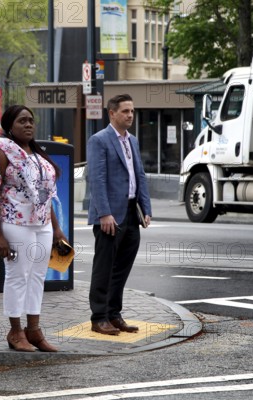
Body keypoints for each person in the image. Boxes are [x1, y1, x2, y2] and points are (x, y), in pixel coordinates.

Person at [0, 105, 67, 352]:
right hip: (14, 222)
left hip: (42, 224)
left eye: (31, 121)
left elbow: (45, 195)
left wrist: (56, 229)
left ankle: (33, 330)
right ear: (9, 126)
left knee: (37, 277)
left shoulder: (37, 154)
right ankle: (15, 331)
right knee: (17, 276)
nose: (28, 125)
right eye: (22, 121)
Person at [87, 94, 152, 336]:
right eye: (125, 111)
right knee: (104, 268)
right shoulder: (99, 140)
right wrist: (104, 213)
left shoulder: (132, 141)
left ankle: (114, 314)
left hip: (130, 212)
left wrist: (146, 208)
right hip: (110, 216)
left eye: (132, 111)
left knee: (122, 268)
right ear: (112, 113)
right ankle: (99, 317)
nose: (130, 115)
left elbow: (140, 175)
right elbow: (97, 178)